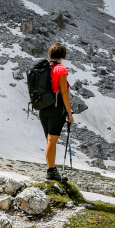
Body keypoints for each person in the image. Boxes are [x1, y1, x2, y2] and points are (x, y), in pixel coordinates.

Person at [40, 43, 74, 181]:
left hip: (43, 107)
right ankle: (51, 172)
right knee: (52, 140)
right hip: (56, 107)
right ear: (63, 55)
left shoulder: (44, 67)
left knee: (49, 140)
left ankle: (51, 170)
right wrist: (70, 114)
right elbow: (64, 93)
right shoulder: (61, 69)